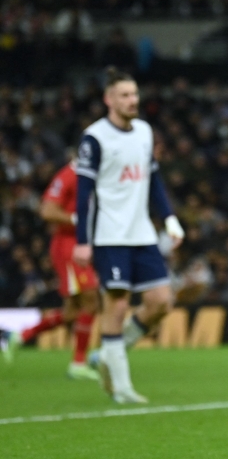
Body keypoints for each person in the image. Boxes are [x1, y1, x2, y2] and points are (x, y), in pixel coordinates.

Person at [72, 67, 186, 404]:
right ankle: (121, 387)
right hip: (110, 236)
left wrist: (169, 218)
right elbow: (84, 194)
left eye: (134, 94)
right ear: (109, 99)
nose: (132, 100)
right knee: (117, 304)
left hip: (142, 233)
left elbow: (154, 180)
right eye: (124, 95)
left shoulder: (144, 132)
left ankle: (111, 351)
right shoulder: (94, 138)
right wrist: (82, 240)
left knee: (161, 302)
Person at [1, 153, 101, 380]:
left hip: (78, 245)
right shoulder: (69, 175)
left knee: (72, 312)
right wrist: (79, 220)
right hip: (68, 247)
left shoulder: (91, 176)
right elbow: (47, 210)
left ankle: (19, 335)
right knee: (91, 299)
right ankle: (78, 363)